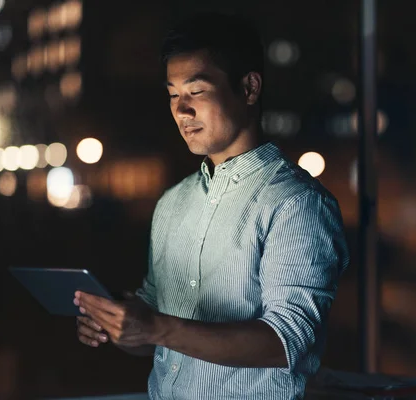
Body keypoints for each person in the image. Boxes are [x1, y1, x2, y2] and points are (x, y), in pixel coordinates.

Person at [74, 12, 349, 400]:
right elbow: (156, 331)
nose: (181, 111)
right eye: (173, 94)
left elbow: (287, 341)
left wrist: (155, 327)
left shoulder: (296, 203)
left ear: (250, 88)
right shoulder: (173, 202)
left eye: (196, 91)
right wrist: (119, 327)